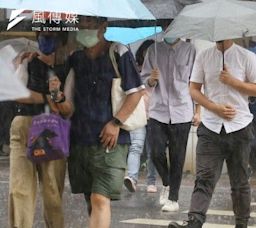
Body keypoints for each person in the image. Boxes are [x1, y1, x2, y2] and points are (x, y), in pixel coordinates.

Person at [169, 39, 256, 228]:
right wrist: (214, 108)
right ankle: (194, 221)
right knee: (204, 177)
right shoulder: (204, 56)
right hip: (211, 127)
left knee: (239, 181)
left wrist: (233, 82)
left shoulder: (247, 57)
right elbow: (193, 89)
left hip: (239, 127)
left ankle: (241, 223)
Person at [65, 16, 144, 228]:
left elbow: (136, 92)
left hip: (111, 141)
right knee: (91, 200)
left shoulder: (118, 52)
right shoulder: (75, 58)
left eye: (90, 23)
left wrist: (115, 122)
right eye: (81, 23)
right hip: (80, 140)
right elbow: (68, 98)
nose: (85, 28)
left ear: (103, 26)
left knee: (100, 198)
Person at [8, 30, 70, 228]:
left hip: (51, 127)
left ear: (61, 39)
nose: (46, 38)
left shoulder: (67, 68)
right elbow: (17, 93)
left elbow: (67, 108)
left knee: (52, 191)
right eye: (42, 34)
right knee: (20, 189)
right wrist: (44, 98)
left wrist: (56, 95)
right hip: (24, 124)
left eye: (51, 34)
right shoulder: (28, 61)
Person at [141, 32, 200, 212]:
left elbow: (196, 82)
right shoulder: (153, 50)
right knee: (156, 152)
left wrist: (198, 110)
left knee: (177, 157)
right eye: (165, 24)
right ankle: (167, 182)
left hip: (182, 111)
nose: (169, 28)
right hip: (158, 110)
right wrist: (151, 79)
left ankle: (173, 198)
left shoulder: (190, 50)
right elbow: (143, 80)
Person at [124, 40, 159, 193]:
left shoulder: (158, 69)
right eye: (145, 52)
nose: (147, 55)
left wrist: (153, 79)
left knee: (153, 151)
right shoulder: (133, 69)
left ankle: (151, 181)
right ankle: (132, 178)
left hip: (153, 115)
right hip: (137, 114)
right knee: (136, 147)